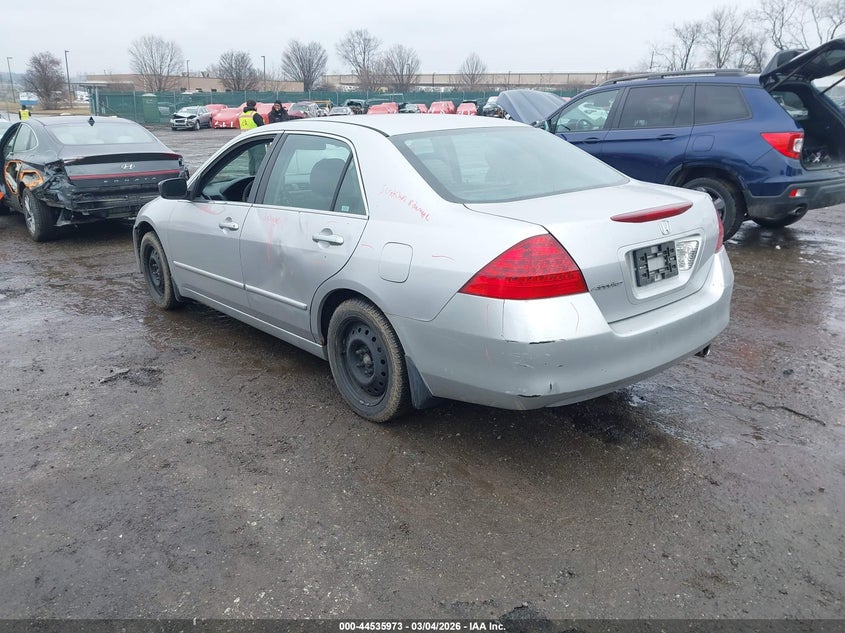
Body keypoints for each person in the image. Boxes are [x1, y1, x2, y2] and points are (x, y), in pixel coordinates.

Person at [238, 100, 266, 175]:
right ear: (255, 106)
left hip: (246, 141)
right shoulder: (255, 115)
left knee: (251, 160)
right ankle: (258, 177)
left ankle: (251, 176)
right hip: (257, 140)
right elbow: (263, 128)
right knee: (259, 160)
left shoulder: (241, 115)